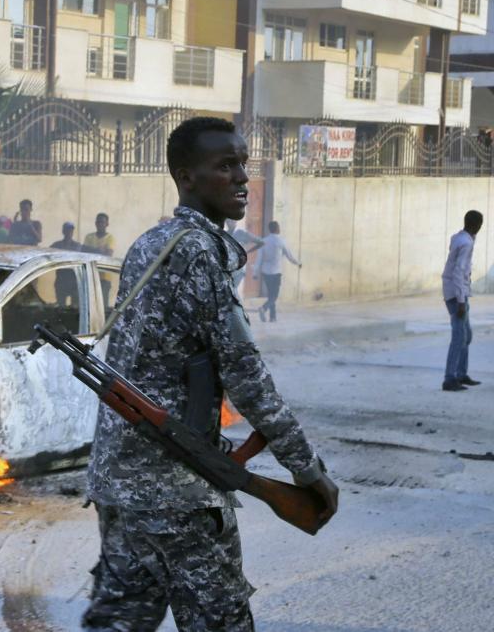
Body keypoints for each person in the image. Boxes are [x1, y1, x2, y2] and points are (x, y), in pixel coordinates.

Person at [83, 117, 337, 631]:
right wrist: (307, 471)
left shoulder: (152, 244)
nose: (242, 177)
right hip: (178, 491)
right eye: (226, 166)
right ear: (186, 177)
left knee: (119, 623)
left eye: (244, 163)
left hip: (120, 485)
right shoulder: (198, 252)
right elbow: (248, 380)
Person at [442, 210, 483, 392]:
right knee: (459, 337)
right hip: (456, 294)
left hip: (458, 291)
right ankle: (449, 379)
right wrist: (460, 300)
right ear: (477, 225)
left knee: (466, 335)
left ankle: (461, 374)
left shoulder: (459, 238)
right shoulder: (466, 243)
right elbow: (458, 272)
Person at [254, 221, 301, 323]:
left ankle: (273, 317)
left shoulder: (263, 241)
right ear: (276, 229)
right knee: (274, 296)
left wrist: (254, 273)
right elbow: (290, 256)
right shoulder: (281, 241)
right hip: (276, 272)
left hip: (265, 272)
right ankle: (264, 308)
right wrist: (298, 263)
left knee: (271, 294)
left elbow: (258, 259)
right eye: (279, 227)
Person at [84, 213, 117, 309]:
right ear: (95, 223)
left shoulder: (110, 238)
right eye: (98, 222)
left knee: (103, 305)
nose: (100, 224)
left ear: (107, 224)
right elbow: (84, 251)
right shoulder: (89, 237)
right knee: (90, 304)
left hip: (105, 276)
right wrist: (99, 250)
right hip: (90, 275)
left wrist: (92, 250)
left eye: (102, 222)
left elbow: (108, 254)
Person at [225, 219, 263, 293]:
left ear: (235, 222)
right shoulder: (225, 234)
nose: (229, 223)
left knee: (233, 290)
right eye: (227, 221)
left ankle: (238, 304)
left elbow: (261, 242)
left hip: (239, 268)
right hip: (228, 267)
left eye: (231, 221)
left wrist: (249, 251)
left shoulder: (241, 233)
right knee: (229, 290)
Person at [50, 222, 82, 307]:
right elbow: (48, 256)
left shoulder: (78, 246)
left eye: (71, 230)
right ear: (63, 231)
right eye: (67, 230)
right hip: (61, 279)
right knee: (61, 306)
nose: (69, 232)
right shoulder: (56, 245)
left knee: (75, 307)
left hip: (74, 280)